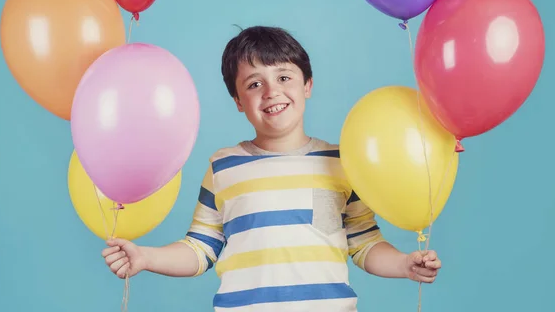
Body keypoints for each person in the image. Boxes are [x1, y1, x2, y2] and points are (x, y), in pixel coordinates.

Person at [101, 26, 442, 311]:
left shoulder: (342, 162)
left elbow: (364, 243)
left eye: (283, 76)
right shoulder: (223, 166)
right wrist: (145, 257)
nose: (271, 91)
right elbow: (200, 249)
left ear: (307, 85)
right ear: (238, 101)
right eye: (254, 84)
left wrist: (403, 264)